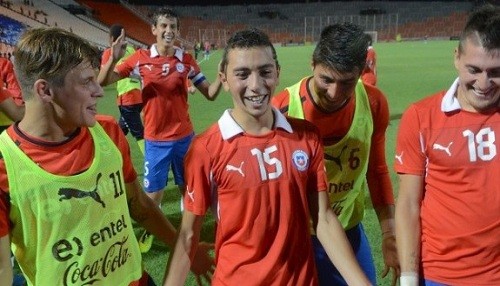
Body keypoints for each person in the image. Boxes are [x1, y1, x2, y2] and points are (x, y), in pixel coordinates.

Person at [0, 27, 214, 286]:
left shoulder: (107, 132)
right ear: (45, 91)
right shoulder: (5, 165)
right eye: (85, 82)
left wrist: (184, 250)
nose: (99, 91)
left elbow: (140, 207)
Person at [164, 28, 372, 286]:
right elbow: (187, 235)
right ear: (224, 79)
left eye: (265, 72)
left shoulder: (306, 137)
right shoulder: (205, 149)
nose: (256, 85)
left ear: (277, 73)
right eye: (242, 74)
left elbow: (325, 219)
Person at [272, 23, 399, 286]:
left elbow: (376, 170)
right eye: (326, 80)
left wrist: (389, 232)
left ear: (361, 71)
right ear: (312, 64)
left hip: (348, 231)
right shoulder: (282, 110)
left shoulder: (374, 103)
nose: (334, 93)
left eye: (347, 82)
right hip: (297, 236)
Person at [98, 7, 222, 253]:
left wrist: (221, 77)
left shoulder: (185, 60)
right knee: (153, 196)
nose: (169, 31)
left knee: (188, 189)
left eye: (173, 26)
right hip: (155, 140)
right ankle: (149, 231)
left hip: (185, 138)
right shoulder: (140, 58)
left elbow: (209, 93)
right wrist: (114, 57)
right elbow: (103, 82)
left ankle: (188, 235)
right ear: (154, 30)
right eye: (164, 26)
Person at [395, 5, 500, 286]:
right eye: (474, 70)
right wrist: (407, 277)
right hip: (441, 276)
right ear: (457, 58)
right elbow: (407, 204)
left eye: (495, 72)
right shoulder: (421, 116)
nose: (484, 83)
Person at [101, 24, 145, 154]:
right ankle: (110, 154)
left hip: (126, 98)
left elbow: (104, 77)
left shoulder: (109, 53)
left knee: (139, 134)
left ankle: (150, 164)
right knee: (121, 130)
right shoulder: (131, 50)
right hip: (139, 96)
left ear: (111, 38)